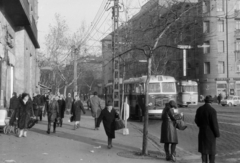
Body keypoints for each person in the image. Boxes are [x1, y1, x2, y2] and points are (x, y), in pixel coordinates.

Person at [195, 95, 220, 163]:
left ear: (205, 101)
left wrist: (200, 125)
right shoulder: (212, 110)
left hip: (202, 132)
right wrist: (217, 134)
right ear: (211, 102)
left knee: (204, 151)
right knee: (211, 152)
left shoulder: (199, 109)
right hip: (210, 134)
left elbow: (196, 120)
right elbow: (214, 124)